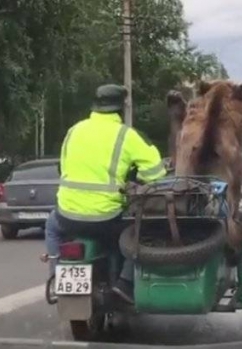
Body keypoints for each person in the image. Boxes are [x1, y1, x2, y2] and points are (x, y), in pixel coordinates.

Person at [44, 84, 167, 304]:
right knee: (140, 228)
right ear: (121, 109)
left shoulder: (73, 131)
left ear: (95, 106)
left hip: (68, 216)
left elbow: (63, 169)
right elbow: (156, 175)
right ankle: (125, 282)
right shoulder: (128, 136)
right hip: (107, 219)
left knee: (51, 226)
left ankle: (56, 274)